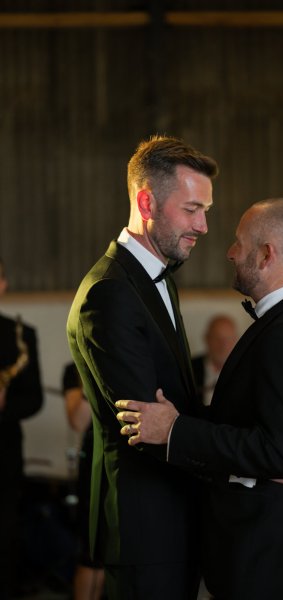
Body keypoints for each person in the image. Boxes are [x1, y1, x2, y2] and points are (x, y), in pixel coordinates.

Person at [116, 198, 283, 600]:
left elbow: (277, 453)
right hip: (256, 549)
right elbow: (265, 441)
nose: (230, 252)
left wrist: (175, 430)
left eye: (239, 242)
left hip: (268, 559)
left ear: (266, 253)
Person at [66, 135, 219, 600]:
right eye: (192, 209)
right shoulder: (109, 292)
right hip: (146, 529)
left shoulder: (157, 281)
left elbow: (178, 411)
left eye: (206, 210)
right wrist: (257, 457)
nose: (205, 225)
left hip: (170, 521)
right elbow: (150, 428)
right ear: (146, 201)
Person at [0, 257, 43, 599]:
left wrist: (4, 407)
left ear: (3, 285)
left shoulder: (22, 336)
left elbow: (34, 400)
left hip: (4, 458)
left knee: (6, 536)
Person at [62, 362, 105, 600]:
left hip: (128, 463)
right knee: (91, 553)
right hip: (94, 465)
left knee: (108, 556)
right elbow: (78, 421)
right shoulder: (75, 368)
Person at [191, 315, 238, 406]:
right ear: (207, 339)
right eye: (217, 339)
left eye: (228, 340)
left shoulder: (243, 370)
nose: (223, 346)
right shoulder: (189, 369)